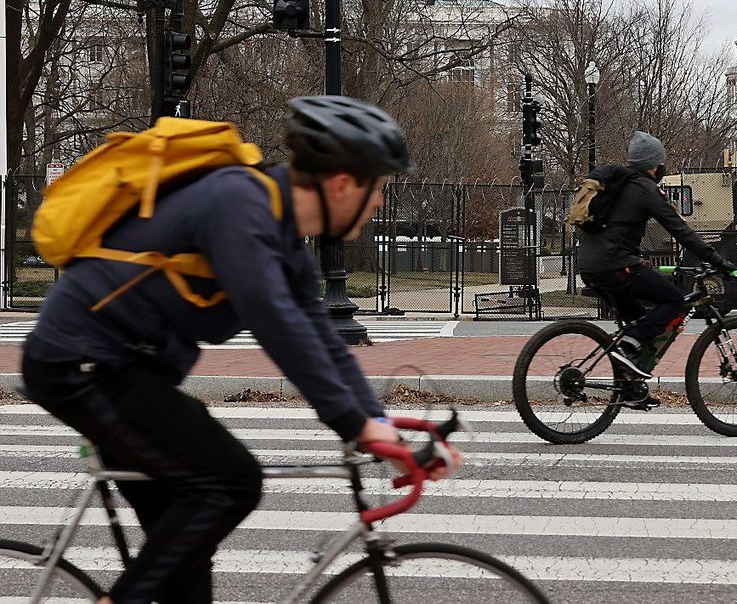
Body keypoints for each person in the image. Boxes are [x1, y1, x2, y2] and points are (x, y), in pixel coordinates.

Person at [19, 96, 462, 603]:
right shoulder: (238, 204)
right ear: (344, 184)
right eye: (380, 188)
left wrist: (375, 424)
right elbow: (275, 324)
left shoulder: (281, 231)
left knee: (186, 550)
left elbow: (322, 337)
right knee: (231, 483)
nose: (382, 202)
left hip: (126, 371)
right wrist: (356, 425)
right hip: (82, 365)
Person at [577, 131, 737, 400]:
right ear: (654, 165)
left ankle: (630, 388)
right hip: (617, 266)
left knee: (640, 322)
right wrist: (719, 261)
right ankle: (630, 348)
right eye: (661, 162)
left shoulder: (618, 185)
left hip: (591, 266)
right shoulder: (644, 189)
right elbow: (681, 231)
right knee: (674, 301)